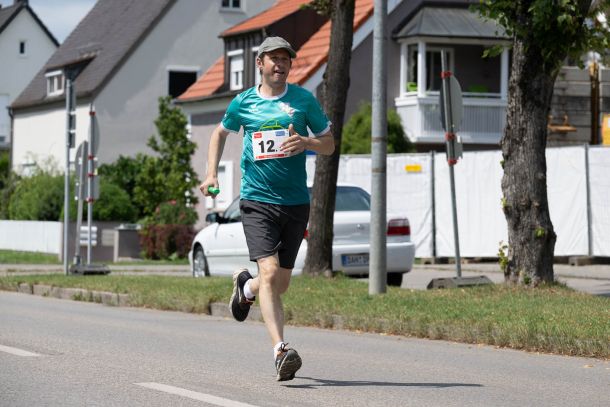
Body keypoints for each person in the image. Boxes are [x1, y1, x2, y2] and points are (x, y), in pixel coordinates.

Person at [199, 36, 334, 381]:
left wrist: (306, 142)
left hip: (295, 202)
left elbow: (329, 144)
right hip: (257, 200)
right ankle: (280, 351)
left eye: (285, 59)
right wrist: (212, 173)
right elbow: (219, 134)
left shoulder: (303, 100)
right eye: (274, 59)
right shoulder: (244, 102)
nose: (280, 65)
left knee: (280, 283)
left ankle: (246, 289)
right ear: (260, 63)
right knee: (270, 274)